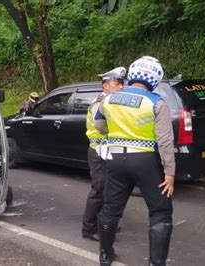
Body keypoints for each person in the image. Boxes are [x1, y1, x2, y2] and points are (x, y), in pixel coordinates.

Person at [94, 56, 175, 266]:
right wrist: (170, 173)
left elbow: (100, 126)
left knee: (111, 208)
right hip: (145, 160)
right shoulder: (156, 103)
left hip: (115, 160)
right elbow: (165, 142)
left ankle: (105, 256)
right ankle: (156, 263)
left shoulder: (109, 99)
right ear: (155, 79)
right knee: (160, 210)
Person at [82, 67, 126, 241]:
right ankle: (89, 228)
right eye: (117, 83)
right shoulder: (99, 103)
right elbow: (102, 126)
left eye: (122, 83)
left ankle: (104, 224)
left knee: (109, 190)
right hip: (98, 151)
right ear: (105, 84)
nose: (121, 87)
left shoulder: (114, 102)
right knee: (99, 190)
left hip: (109, 151)